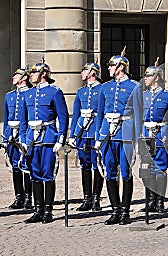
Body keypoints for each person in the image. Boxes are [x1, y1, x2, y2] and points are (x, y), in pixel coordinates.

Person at [95, 48, 143, 225]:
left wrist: (139, 139)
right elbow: (100, 113)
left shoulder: (134, 86)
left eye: (111, 65)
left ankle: (125, 211)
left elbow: (139, 114)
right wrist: (98, 137)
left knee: (126, 172)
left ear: (121, 67)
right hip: (107, 133)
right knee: (109, 172)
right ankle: (115, 210)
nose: (108, 68)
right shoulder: (105, 87)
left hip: (126, 133)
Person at [19, 59, 69, 223]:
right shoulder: (27, 94)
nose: (30, 75)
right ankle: (37, 209)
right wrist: (23, 140)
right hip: (31, 139)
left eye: (33, 73)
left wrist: (61, 138)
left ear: (43, 74)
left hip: (48, 137)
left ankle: (48, 211)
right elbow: (23, 121)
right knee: (34, 175)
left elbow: (62, 117)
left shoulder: (55, 92)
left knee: (47, 174)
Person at [69, 62, 104, 211]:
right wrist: (73, 135)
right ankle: (87, 198)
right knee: (85, 165)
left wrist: (101, 134)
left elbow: (102, 113)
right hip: (83, 132)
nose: (81, 73)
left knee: (97, 165)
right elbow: (76, 114)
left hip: (95, 130)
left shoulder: (102, 89)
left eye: (84, 70)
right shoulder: (81, 92)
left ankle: (96, 199)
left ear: (92, 72)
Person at [141, 59, 168, 213]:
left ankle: (160, 201)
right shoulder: (143, 96)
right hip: (145, 134)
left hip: (160, 133)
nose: (145, 79)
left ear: (156, 78)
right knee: (146, 168)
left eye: (148, 76)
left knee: (160, 169)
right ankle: (149, 201)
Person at [3, 67, 33, 209]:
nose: (13, 77)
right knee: (15, 167)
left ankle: (28, 197)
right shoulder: (9, 96)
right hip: (11, 136)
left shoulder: (31, 94)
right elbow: (6, 117)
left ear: (23, 78)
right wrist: (5, 138)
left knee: (25, 167)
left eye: (16, 75)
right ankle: (18, 197)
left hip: (25, 134)